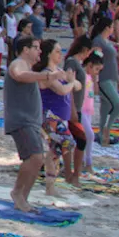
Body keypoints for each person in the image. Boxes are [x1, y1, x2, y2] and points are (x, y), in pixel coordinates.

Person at [4, 35, 54, 212]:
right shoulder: (18, 63)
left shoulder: (29, 67)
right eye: (36, 47)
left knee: (36, 159)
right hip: (21, 120)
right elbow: (18, 75)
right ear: (26, 49)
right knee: (34, 157)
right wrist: (46, 75)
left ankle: (23, 198)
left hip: (31, 121)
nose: (39, 51)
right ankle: (18, 193)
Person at [33, 39, 79, 193]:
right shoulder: (47, 73)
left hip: (61, 117)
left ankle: (50, 186)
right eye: (57, 51)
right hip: (50, 116)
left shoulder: (58, 71)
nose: (61, 54)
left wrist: (71, 81)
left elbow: (77, 85)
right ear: (49, 54)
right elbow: (62, 90)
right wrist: (71, 82)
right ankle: (47, 176)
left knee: (56, 151)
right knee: (67, 142)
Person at [62, 34, 93, 181]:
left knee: (76, 140)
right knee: (79, 140)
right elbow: (69, 84)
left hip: (77, 107)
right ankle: (73, 174)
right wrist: (73, 108)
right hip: (72, 108)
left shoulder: (76, 63)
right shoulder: (71, 62)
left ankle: (73, 173)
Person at [89, 17, 119, 146]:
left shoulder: (106, 41)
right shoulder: (98, 41)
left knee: (106, 107)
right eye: (112, 26)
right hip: (103, 78)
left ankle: (101, 132)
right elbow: (95, 61)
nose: (114, 29)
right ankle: (107, 130)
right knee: (117, 105)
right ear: (107, 27)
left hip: (112, 76)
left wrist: (118, 80)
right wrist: (95, 81)